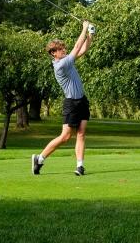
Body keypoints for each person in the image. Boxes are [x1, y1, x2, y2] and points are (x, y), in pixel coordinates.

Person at [32, 19, 94, 176]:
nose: (64, 50)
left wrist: (90, 35)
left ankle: (80, 166)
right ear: (54, 53)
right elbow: (76, 47)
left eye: (63, 48)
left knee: (81, 133)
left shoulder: (67, 61)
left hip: (82, 101)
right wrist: (84, 28)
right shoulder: (60, 65)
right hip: (71, 103)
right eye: (60, 49)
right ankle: (40, 158)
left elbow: (83, 50)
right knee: (65, 137)